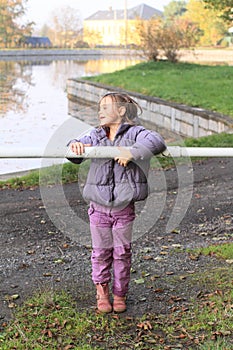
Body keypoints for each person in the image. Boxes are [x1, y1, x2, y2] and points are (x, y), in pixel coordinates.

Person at [68, 92, 166, 313]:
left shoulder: (135, 133)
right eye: (99, 107)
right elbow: (75, 149)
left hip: (124, 208)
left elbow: (157, 141)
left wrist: (133, 152)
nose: (100, 111)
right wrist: (74, 145)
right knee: (101, 252)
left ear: (121, 111)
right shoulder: (95, 134)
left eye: (105, 107)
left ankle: (120, 293)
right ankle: (102, 293)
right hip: (98, 208)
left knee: (122, 252)